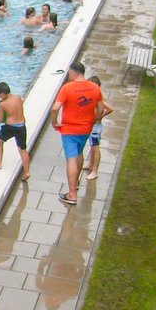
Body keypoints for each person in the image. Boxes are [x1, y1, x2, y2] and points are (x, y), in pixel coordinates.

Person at [51, 62, 103, 206]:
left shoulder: (67, 88)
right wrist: (94, 120)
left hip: (69, 130)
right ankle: (76, 182)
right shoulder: (95, 88)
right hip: (86, 129)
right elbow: (100, 108)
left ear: (73, 72)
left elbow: (55, 108)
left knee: (71, 159)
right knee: (79, 153)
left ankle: (72, 194)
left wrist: (54, 122)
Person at [0, 82, 31, 181]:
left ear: (2, 94)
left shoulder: (3, 104)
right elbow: (21, 103)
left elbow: (0, 120)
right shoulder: (18, 97)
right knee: (23, 149)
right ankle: (26, 172)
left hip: (10, 127)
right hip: (21, 126)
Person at [83, 76, 114, 181]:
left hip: (95, 128)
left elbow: (110, 109)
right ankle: (91, 164)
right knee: (92, 146)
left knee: (95, 148)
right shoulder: (96, 94)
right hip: (93, 126)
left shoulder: (98, 96)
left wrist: (99, 117)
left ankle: (94, 171)